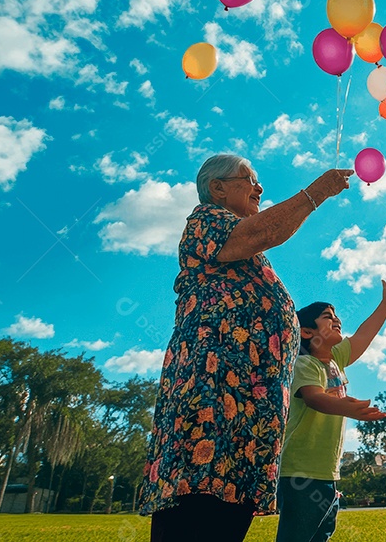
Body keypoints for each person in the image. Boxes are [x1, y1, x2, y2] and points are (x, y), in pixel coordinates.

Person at [137, 154, 354, 542]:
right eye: (248, 179)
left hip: (245, 406)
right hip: (214, 398)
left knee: (226, 508)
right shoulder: (205, 220)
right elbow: (262, 233)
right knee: (199, 501)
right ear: (217, 188)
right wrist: (317, 191)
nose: (259, 187)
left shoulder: (243, 250)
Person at [275, 276, 386, 542]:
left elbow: (363, 335)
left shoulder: (335, 359)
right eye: (327, 316)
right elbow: (314, 398)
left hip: (325, 472)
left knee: (319, 535)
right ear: (306, 331)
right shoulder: (305, 363)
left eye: (336, 316)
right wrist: (345, 407)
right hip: (300, 472)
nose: (336, 320)